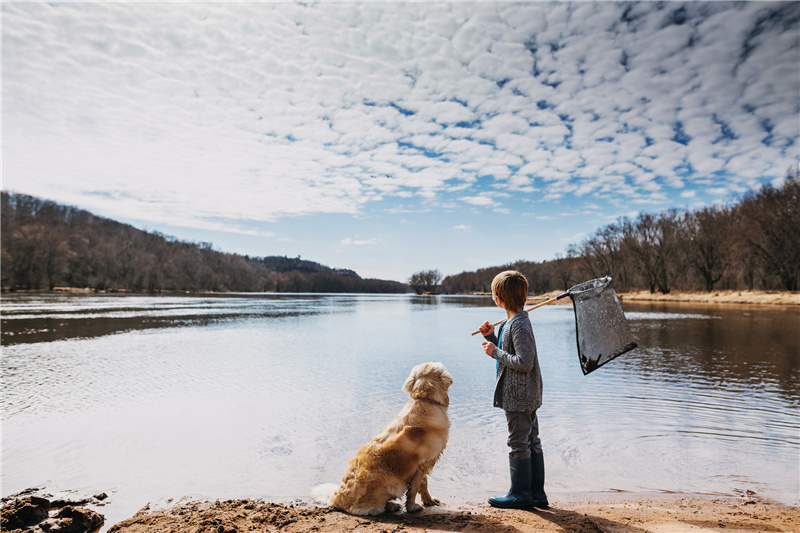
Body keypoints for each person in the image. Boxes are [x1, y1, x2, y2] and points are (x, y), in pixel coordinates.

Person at [478, 270, 548, 509]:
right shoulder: (514, 323)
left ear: (498, 299)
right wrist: (493, 337)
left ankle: (520, 494)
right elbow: (512, 351)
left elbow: (524, 362)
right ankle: (536, 493)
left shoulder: (519, 325)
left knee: (519, 442)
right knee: (530, 440)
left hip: (519, 396)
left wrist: (494, 352)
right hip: (525, 394)